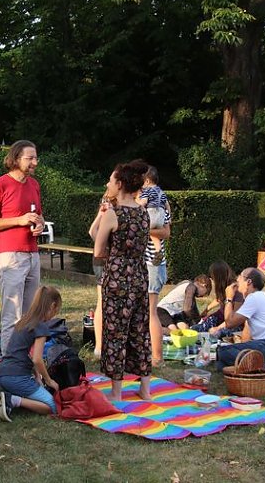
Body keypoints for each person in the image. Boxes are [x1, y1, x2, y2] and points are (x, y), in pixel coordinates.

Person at [94, 160, 152, 401]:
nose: (108, 184)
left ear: (119, 184)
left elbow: (98, 252)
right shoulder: (142, 212)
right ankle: (145, 390)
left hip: (118, 278)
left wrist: (116, 255)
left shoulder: (113, 214)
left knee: (116, 332)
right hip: (140, 275)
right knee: (140, 331)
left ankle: (117, 392)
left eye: (111, 181)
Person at [0, 140, 45, 353]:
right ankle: (9, 361)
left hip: (33, 254)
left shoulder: (34, 184)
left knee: (29, 313)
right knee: (12, 314)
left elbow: (37, 215)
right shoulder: (0, 185)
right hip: (10, 256)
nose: (35, 162)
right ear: (16, 159)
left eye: (36, 157)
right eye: (30, 158)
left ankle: (23, 357)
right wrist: (18, 220)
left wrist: (40, 224)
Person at [0, 286, 62, 422]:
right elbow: (37, 359)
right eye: (57, 310)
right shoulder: (41, 327)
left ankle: (7, 398)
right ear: (52, 306)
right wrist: (49, 380)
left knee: (37, 395)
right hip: (17, 378)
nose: (55, 314)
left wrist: (37, 377)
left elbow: (27, 353)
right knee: (51, 406)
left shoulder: (24, 321)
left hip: (3, 375)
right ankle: (12, 400)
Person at [217, 267, 265, 377]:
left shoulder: (254, 298)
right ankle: (263, 371)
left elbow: (230, 323)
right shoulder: (258, 298)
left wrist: (229, 298)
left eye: (240, 276)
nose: (237, 280)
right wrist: (240, 347)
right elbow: (247, 332)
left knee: (223, 352)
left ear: (248, 282)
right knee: (221, 364)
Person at [142, 167, 172, 367]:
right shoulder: (163, 199)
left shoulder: (143, 202)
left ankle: (156, 356)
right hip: (156, 261)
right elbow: (165, 232)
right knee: (147, 310)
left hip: (150, 263)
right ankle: (150, 354)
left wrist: (144, 229)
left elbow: (166, 232)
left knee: (150, 311)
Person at [87, 191, 116, 359]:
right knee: (103, 303)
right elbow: (92, 232)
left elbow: (92, 231)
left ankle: (101, 346)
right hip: (103, 261)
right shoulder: (110, 212)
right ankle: (99, 346)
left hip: (103, 261)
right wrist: (101, 214)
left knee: (103, 303)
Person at [191, 260, 244, 337]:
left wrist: (218, 328)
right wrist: (207, 310)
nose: (212, 279)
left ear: (218, 277)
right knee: (196, 328)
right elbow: (219, 299)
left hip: (235, 325)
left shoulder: (237, 289)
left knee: (216, 333)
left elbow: (235, 318)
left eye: (212, 277)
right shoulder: (224, 286)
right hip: (223, 318)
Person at [136, 166, 169, 265]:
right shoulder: (161, 192)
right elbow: (167, 205)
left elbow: (166, 233)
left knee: (146, 230)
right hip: (160, 215)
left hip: (151, 264)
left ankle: (158, 252)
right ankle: (158, 251)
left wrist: (137, 203)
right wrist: (169, 215)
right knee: (151, 233)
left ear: (146, 181)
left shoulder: (147, 192)